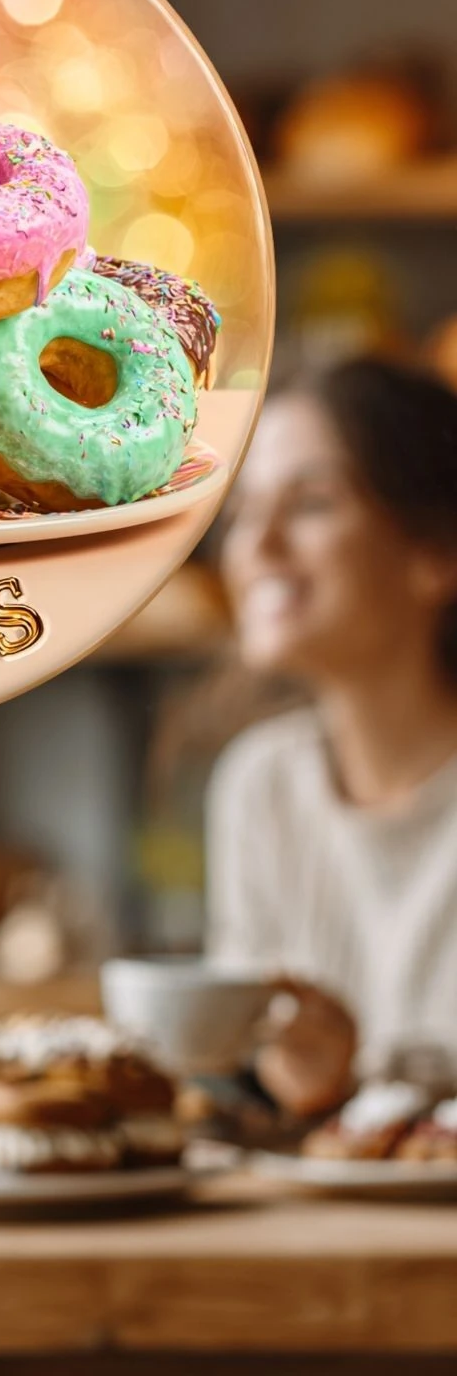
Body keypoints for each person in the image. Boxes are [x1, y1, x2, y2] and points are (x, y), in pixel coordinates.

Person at [207, 356, 457, 1115]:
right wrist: (306, 1080)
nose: (257, 544)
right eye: (243, 510)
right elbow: (269, 1090)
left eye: (311, 503)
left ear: (436, 554)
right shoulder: (262, 786)